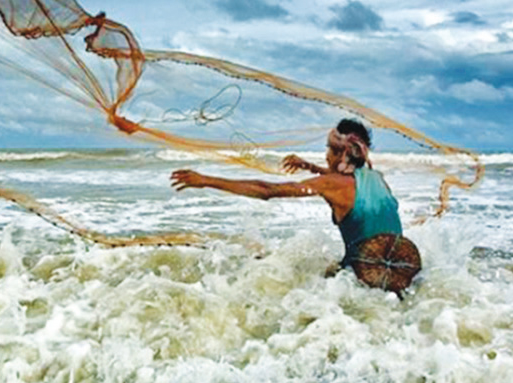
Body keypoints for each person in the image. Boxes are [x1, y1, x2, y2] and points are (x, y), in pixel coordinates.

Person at [170, 118, 403, 276]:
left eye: (329, 149)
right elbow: (347, 186)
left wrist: (207, 181)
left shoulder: (331, 184)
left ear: (342, 153)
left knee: (274, 269)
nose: (325, 155)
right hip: (401, 270)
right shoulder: (377, 178)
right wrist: (310, 167)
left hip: (363, 278)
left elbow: (267, 191)